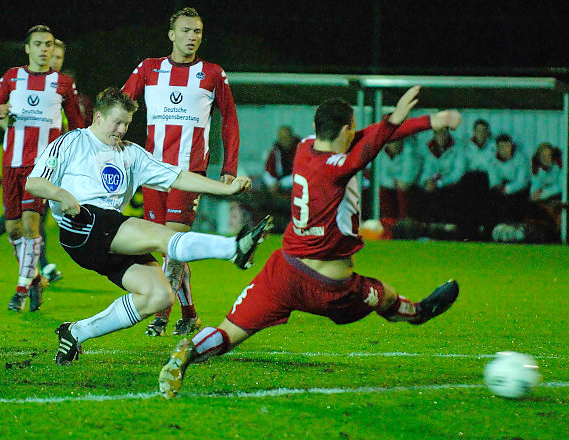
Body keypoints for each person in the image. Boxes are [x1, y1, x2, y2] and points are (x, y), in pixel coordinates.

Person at [158, 87, 462, 398]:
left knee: (228, 332)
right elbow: (371, 144)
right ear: (346, 130)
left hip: (283, 272)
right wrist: (402, 119)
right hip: (329, 288)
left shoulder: (305, 147)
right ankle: (418, 312)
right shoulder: (339, 167)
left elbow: (370, 137)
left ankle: (189, 351)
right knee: (385, 296)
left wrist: (426, 122)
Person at [24, 87, 271, 366]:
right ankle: (233, 248)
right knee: (160, 236)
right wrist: (61, 194)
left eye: (127, 124)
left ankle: (76, 332)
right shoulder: (72, 141)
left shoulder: (131, 153)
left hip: (106, 231)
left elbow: (177, 177)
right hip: (82, 224)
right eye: (117, 122)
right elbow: (34, 182)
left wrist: (226, 189)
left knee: (159, 296)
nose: (121, 130)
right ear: (98, 117)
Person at [122, 7, 241, 337]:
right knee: (167, 247)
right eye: (186, 30)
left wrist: (229, 167)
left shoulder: (212, 73)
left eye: (197, 31)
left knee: (173, 242)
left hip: (189, 172)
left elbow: (229, 120)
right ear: (171, 34)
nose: (192, 37)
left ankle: (161, 315)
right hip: (152, 171)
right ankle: (189, 315)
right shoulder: (149, 68)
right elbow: (122, 104)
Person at [0, 25, 85, 313]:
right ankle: (36, 280)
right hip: (11, 162)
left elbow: (77, 124)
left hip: (42, 165)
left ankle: (20, 291)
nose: (44, 49)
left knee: (31, 224)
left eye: (49, 44)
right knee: (14, 229)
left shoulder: (63, 83)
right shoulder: (12, 76)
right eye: (38, 44)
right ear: (28, 48)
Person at [376, 139, 420, 222]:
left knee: (403, 191)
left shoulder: (409, 151)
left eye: (398, 142)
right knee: (382, 192)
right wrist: (394, 183)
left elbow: (409, 172)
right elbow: (381, 176)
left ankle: (404, 221)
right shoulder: (381, 154)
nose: (395, 145)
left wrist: (403, 182)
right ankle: (388, 220)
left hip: (405, 187)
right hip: (389, 187)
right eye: (393, 142)